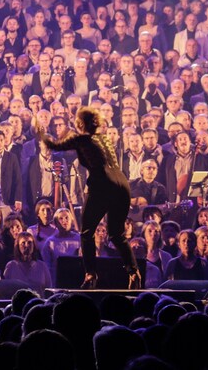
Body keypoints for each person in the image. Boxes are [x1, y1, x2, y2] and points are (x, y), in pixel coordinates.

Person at [38, 106, 142, 289]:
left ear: (80, 124)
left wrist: (42, 134)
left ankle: (90, 274)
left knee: (86, 233)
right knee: (117, 234)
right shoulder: (105, 140)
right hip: (122, 184)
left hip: (102, 184)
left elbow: (55, 146)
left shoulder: (82, 139)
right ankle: (133, 271)